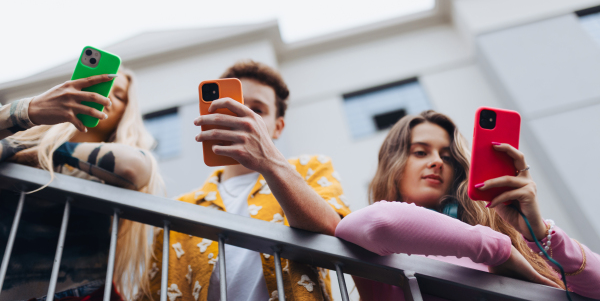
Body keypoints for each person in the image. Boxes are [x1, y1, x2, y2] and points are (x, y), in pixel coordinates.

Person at [335, 110, 600, 300]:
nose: (437, 161)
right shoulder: (380, 254)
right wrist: (499, 251)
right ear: (393, 165)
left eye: (447, 157)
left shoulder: (520, 242)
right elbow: (378, 222)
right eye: (420, 152)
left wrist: (538, 233)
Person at [143, 60, 351, 301]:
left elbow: (334, 230)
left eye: (258, 111)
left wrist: (269, 162)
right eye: (234, 107)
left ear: (278, 128)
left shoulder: (310, 168)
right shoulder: (181, 208)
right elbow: (152, 291)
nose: (245, 118)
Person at [0, 69, 164, 300]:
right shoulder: (22, 137)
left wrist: (40, 151)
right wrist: (31, 109)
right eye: (101, 88)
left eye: (118, 95)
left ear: (126, 112)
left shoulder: (113, 169)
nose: (105, 97)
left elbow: (133, 166)